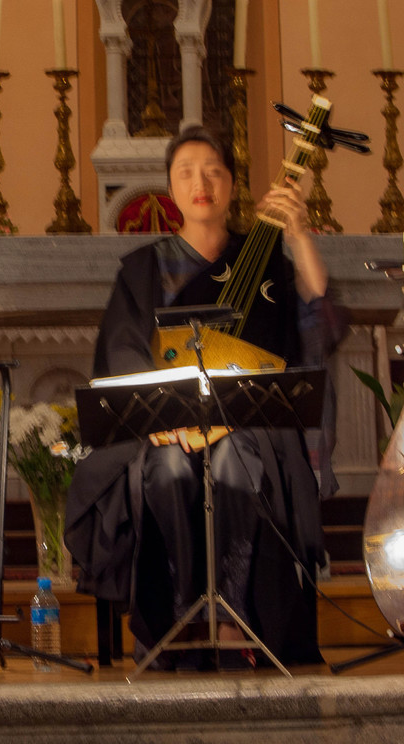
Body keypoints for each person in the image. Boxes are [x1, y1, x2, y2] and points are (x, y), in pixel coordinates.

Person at [66, 126, 342, 669]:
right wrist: (166, 418)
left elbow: (317, 326)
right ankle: (179, 620)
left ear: (233, 184)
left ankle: (237, 617)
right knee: (167, 471)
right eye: (186, 171)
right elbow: (123, 357)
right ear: (170, 189)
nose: (201, 182)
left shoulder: (263, 262)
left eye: (213, 169)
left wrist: (300, 234)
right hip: (164, 427)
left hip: (251, 427)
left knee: (236, 467)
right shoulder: (145, 270)